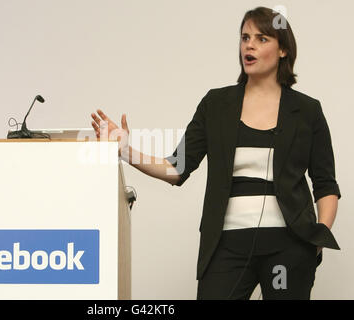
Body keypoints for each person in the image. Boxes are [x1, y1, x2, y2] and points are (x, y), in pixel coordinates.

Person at [90, 6, 341, 300]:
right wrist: (125, 150)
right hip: (227, 244)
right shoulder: (216, 104)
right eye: (245, 37)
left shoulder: (307, 111)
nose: (249, 44)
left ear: (283, 50)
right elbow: (177, 168)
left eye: (261, 39)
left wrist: (317, 239)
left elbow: (325, 184)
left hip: (288, 246)